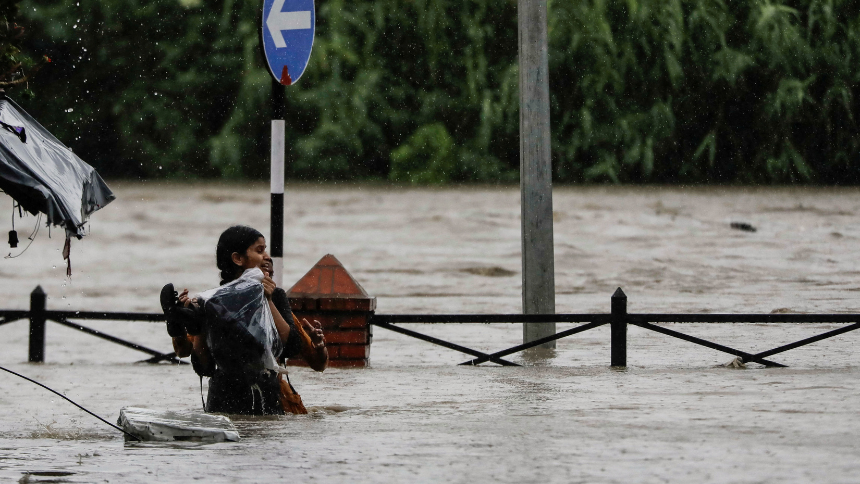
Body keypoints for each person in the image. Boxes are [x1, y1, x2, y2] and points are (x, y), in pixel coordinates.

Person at [162, 225, 327, 415]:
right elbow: (204, 367)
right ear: (237, 259)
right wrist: (198, 328)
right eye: (260, 250)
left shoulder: (273, 296)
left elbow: (291, 346)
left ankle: (188, 318)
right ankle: (189, 320)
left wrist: (268, 300)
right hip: (235, 399)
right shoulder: (212, 302)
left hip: (254, 397)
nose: (267, 256)